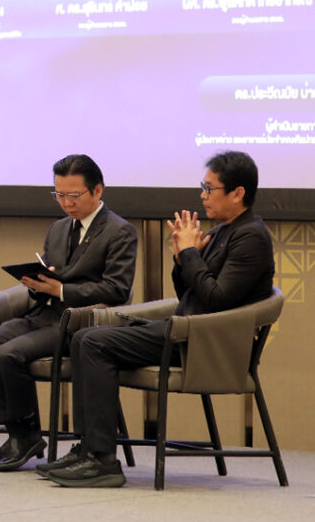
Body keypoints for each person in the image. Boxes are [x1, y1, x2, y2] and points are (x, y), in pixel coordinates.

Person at [45, 151, 274, 487]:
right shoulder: (224, 231)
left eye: (209, 189)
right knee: (83, 336)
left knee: (93, 342)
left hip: (206, 343)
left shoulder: (251, 237)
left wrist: (191, 254)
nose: (203, 195)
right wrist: (182, 259)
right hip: (185, 331)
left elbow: (217, 299)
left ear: (238, 193)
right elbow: (189, 294)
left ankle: (103, 461)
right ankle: (88, 448)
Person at [0, 154, 137, 472]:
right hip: (43, 313)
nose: (66, 203)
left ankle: (25, 435)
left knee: (9, 354)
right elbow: (52, 274)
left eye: (73, 195)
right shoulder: (59, 228)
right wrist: (36, 283)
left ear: (97, 190)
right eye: (59, 195)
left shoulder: (119, 231)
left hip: (79, 321)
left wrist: (61, 290)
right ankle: (19, 431)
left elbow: (117, 289)